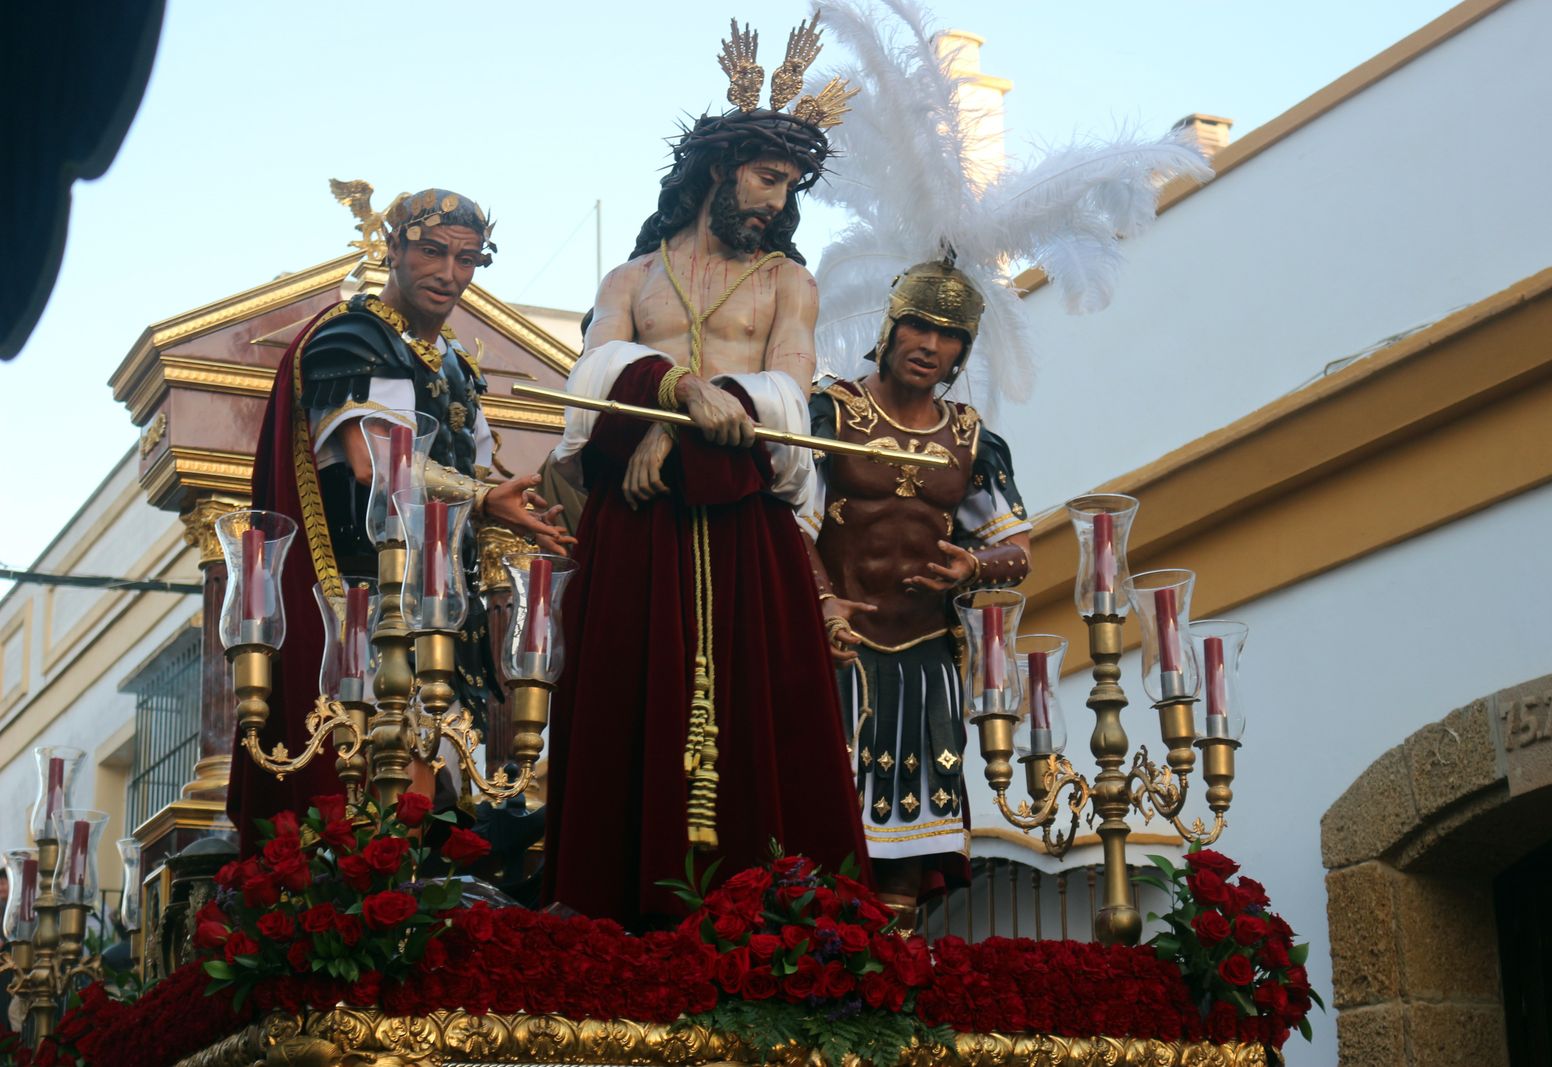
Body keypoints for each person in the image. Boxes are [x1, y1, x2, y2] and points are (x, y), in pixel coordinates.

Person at [543, 18, 870, 927]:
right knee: (621, 699)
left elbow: (788, 395)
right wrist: (676, 389)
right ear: (719, 171)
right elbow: (589, 384)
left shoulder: (785, 284)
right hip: (639, 526)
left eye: (791, 187)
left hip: (736, 525)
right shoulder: (633, 277)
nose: (778, 201)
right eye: (769, 179)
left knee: (764, 709)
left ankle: (772, 924)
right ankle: (611, 910)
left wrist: (677, 428)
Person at [232, 187, 572, 843]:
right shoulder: (355, 337)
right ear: (393, 248)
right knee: (366, 765)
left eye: (468, 258)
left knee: (429, 772)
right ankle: (395, 875)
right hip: (360, 595)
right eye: (434, 252)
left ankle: (427, 860)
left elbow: (471, 478)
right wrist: (482, 499)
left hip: (437, 599)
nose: (450, 273)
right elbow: (376, 465)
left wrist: (512, 514)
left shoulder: (457, 369)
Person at [799, 259, 1032, 926]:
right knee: (828, 818)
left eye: (950, 333)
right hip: (838, 646)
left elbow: (1018, 551)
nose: (931, 344)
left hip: (928, 653)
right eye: (920, 326)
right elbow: (792, 526)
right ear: (891, 325)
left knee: (911, 831)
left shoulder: (972, 437)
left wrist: (975, 568)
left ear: (963, 349)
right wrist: (823, 603)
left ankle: (892, 966)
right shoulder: (830, 411)